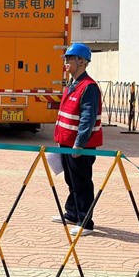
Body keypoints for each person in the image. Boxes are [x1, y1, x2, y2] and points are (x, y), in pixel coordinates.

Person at [53, 43, 103, 237]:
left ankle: (85, 222)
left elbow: (87, 119)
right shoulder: (72, 84)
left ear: (82, 61)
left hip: (80, 146)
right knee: (71, 179)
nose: (66, 63)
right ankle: (72, 213)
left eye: (69, 59)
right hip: (66, 142)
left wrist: (79, 144)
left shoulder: (88, 87)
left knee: (81, 182)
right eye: (65, 59)